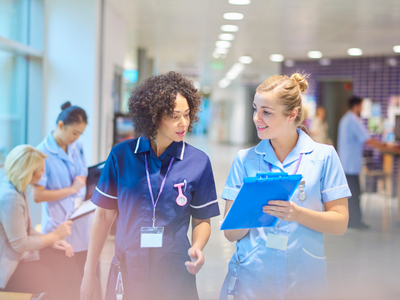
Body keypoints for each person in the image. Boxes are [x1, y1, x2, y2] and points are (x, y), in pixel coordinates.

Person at [80, 71, 220, 300]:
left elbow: (202, 218)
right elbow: (104, 216)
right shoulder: (121, 156)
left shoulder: (198, 162)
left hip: (175, 270)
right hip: (128, 268)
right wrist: (89, 273)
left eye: (187, 114)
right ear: (153, 116)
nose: (183, 123)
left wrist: (197, 246)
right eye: (175, 116)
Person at [220, 73, 351, 300]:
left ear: (292, 114)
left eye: (266, 112)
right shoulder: (245, 160)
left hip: (304, 278)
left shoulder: (324, 157)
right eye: (255, 109)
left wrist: (297, 214)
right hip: (252, 278)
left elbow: (340, 223)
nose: (256, 118)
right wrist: (250, 208)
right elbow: (231, 233)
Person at [0, 145, 81, 300]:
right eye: (41, 169)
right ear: (28, 171)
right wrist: (55, 236)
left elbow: (26, 229)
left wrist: (52, 241)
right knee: (52, 278)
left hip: (19, 258)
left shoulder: (19, 188)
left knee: (66, 260)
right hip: (8, 270)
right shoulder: (10, 197)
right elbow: (20, 244)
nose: (44, 172)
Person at [32, 101, 91, 273]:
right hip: (57, 225)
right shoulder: (42, 152)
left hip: (81, 221)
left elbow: (82, 175)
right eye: (74, 132)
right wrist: (71, 190)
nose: (77, 138)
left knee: (84, 278)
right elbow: (37, 195)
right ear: (60, 125)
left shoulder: (77, 146)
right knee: (65, 282)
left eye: (80, 133)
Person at [337, 96, 386, 229]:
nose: (363, 108)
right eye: (362, 105)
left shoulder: (345, 119)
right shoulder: (353, 120)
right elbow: (367, 140)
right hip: (350, 165)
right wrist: (384, 146)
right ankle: (354, 222)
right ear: (357, 106)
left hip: (346, 163)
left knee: (351, 195)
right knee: (354, 195)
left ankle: (352, 221)